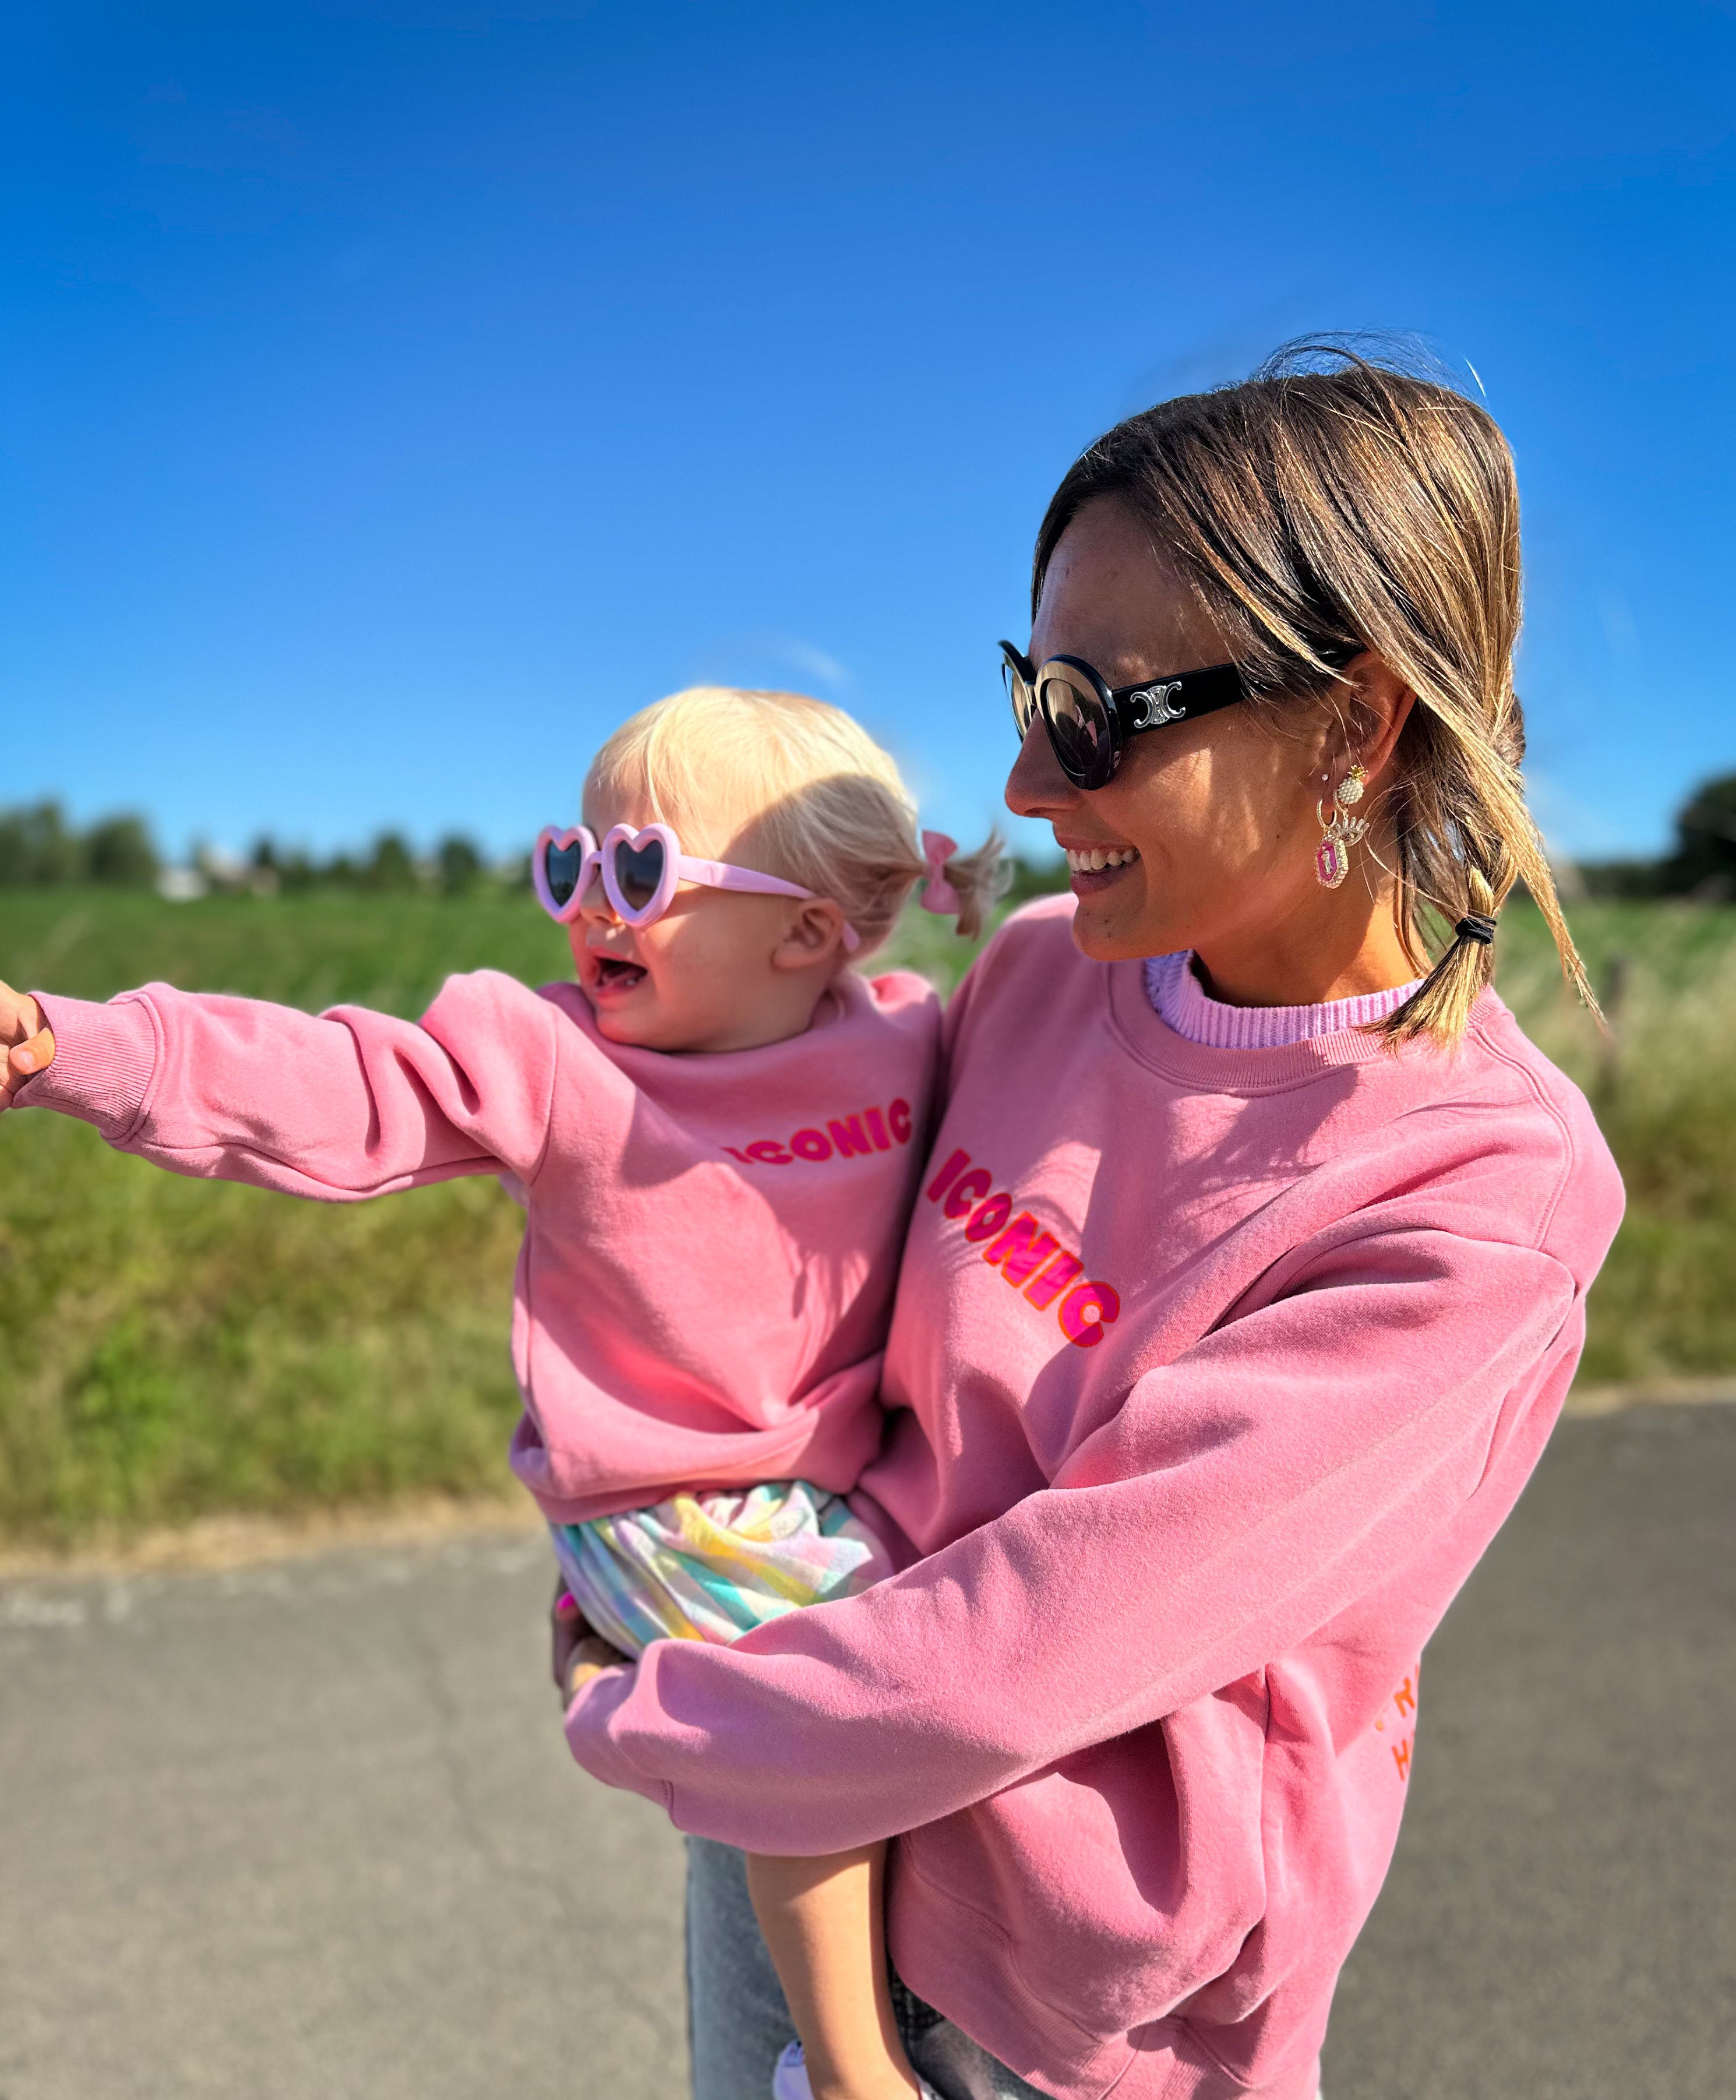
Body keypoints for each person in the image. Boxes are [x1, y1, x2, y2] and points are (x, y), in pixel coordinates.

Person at [551, 350, 1626, 2100]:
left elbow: (1025, 1648)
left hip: (1058, 2011)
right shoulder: (1041, 970)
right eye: (1026, 689)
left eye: (1094, 713)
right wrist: (655, 1546)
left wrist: (653, 1699)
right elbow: (811, 1303)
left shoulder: (1473, 1197)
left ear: (1353, 726)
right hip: (789, 1819)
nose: (1025, 785)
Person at [0, 684, 1002, 2100]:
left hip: (818, 1485)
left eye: (637, 868)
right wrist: (73, 1044)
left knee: (946, 1670)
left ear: (805, 931)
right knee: (825, 1692)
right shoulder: (552, 1057)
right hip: (669, 1503)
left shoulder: (903, 1037)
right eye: (569, 860)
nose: (588, 903)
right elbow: (332, 1083)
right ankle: (849, 2065)